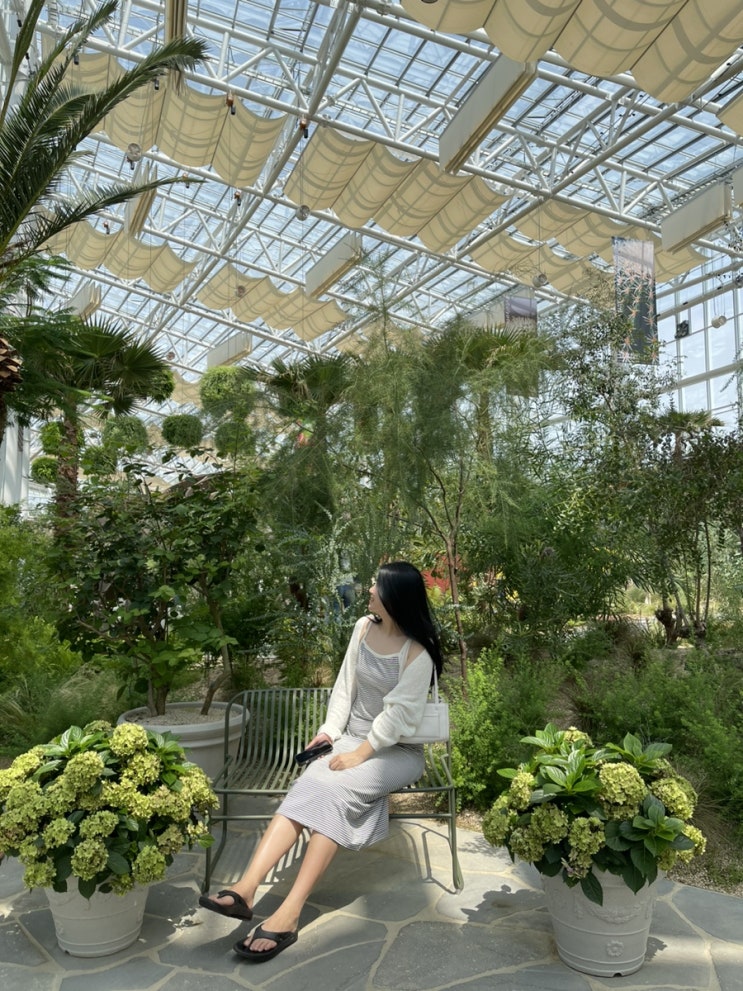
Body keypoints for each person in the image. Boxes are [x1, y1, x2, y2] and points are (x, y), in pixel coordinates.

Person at [198, 560, 443, 963]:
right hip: (350, 741)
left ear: (395, 596)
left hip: (396, 752)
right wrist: (330, 733)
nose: (368, 590)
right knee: (313, 783)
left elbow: (397, 718)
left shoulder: (418, 653)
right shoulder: (363, 628)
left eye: (376, 585)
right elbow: (345, 688)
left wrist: (358, 755)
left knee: (332, 789)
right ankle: (245, 889)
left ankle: (290, 911)